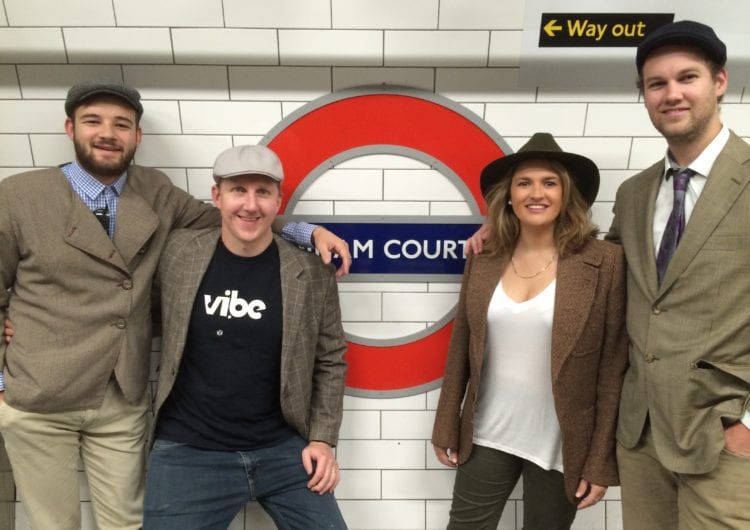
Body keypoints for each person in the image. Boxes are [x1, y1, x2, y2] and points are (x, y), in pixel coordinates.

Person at [0, 81, 350, 530]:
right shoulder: (21, 196)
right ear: (69, 128)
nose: (108, 133)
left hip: (122, 399)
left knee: (125, 523)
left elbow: (242, 222)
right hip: (43, 394)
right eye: (93, 121)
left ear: (137, 136)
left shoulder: (156, 194)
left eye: (121, 124)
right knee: (51, 524)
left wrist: (307, 232)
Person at [142, 145, 347, 529]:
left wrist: (322, 440)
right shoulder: (177, 253)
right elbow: (129, 305)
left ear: (278, 200)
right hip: (189, 449)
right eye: (238, 190)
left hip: (284, 448)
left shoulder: (310, 270)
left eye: (263, 192)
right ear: (217, 196)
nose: (250, 205)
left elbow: (331, 358)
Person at [432, 133, 628, 529]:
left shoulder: (604, 262)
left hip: (561, 442)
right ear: (508, 195)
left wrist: (599, 460)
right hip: (487, 431)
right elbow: (461, 347)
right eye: (524, 183)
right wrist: (446, 423)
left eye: (549, 182)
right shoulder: (484, 257)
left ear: (566, 194)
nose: (535, 193)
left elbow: (613, 368)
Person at [605, 20, 750, 529]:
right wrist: (509, 237)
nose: (672, 94)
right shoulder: (634, 194)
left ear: (719, 82)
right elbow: (603, 277)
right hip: (642, 434)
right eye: (656, 84)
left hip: (725, 438)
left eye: (687, 77)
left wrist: (747, 422)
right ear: (643, 95)